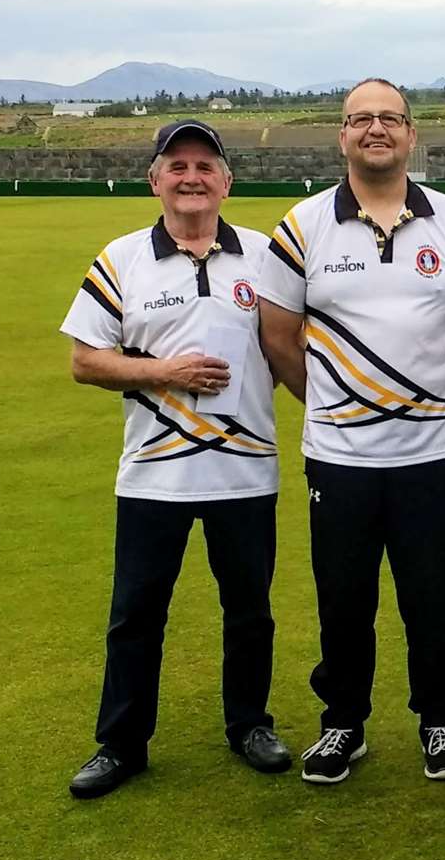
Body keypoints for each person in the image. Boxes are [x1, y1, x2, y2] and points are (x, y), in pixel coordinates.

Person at [256, 78, 445, 785]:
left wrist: (430, 396)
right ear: (342, 135)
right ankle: (343, 724)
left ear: (412, 134)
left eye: (389, 118)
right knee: (343, 595)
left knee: (430, 593)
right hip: (339, 458)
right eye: (361, 119)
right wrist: (334, 403)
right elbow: (277, 335)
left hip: (433, 454)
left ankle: (440, 719)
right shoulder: (301, 227)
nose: (375, 129)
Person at [60, 120, 290, 799]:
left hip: (245, 469)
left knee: (249, 609)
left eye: (205, 165)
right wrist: (166, 372)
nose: (192, 177)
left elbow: (287, 347)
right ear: (154, 179)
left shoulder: (266, 256)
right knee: (136, 613)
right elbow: (84, 360)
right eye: (178, 165)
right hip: (154, 474)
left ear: (227, 181)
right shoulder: (122, 259)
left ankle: (250, 725)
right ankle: (122, 743)